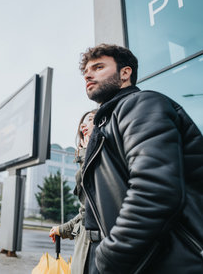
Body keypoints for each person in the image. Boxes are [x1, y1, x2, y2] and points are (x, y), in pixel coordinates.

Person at [79, 44, 203, 273]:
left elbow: (155, 191)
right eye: (86, 70)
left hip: (164, 262)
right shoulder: (108, 121)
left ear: (125, 73)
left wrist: (109, 257)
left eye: (98, 67)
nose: (88, 74)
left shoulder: (140, 105)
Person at [49, 109, 97, 274]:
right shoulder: (86, 158)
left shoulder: (102, 159)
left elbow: (92, 203)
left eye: (90, 119)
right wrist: (62, 230)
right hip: (83, 247)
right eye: (83, 121)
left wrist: (85, 156)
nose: (84, 124)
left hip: (92, 249)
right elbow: (85, 212)